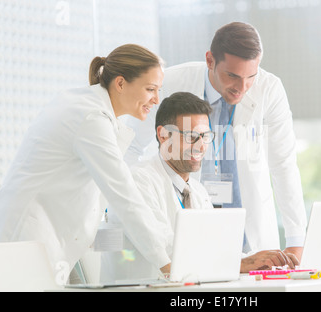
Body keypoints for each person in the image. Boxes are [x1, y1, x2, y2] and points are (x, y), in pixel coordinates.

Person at [0, 44, 172, 284]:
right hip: (24, 241)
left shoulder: (90, 109)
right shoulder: (91, 118)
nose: (156, 99)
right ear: (120, 83)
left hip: (46, 241)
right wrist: (166, 264)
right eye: (150, 89)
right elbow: (124, 196)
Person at [124, 22, 307, 261]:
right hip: (190, 222)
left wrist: (295, 240)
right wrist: (122, 207)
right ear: (210, 60)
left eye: (251, 76)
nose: (242, 88)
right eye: (232, 75)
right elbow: (131, 147)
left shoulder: (269, 89)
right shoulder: (169, 83)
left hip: (252, 230)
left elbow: (284, 164)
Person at [100, 92, 298, 282]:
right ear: (163, 135)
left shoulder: (197, 191)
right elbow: (166, 247)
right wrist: (241, 263)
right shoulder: (137, 181)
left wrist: (261, 261)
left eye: (205, 136)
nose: (202, 145)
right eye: (191, 136)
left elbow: (215, 247)